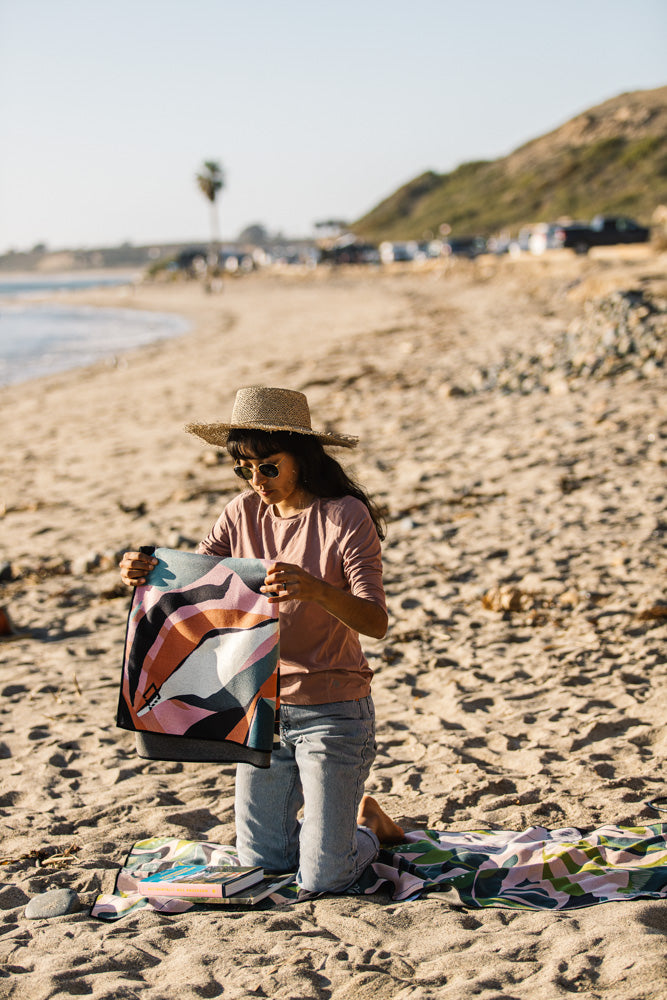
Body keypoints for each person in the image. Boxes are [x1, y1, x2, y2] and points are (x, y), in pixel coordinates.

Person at [120, 386, 403, 893]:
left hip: (333, 711)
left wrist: (316, 589)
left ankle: (366, 829)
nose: (256, 481)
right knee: (263, 860)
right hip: (261, 711)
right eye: (244, 469)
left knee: (326, 878)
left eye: (268, 467)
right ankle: (334, 831)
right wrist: (145, 571)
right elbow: (197, 580)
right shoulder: (241, 513)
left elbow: (376, 621)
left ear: (302, 457)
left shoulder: (343, 517)